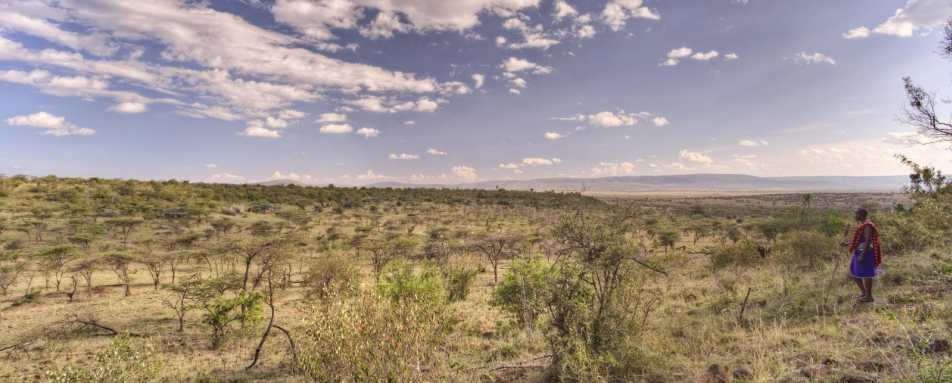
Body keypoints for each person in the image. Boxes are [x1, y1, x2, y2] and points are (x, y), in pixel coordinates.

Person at [842, 208, 882, 303]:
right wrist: (848, 244)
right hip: (858, 252)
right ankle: (864, 293)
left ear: (860, 215)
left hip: (865, 253)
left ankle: (869, 296)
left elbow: (868, 241)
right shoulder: (862, 225)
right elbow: (861, 241)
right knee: (854, 273)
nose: (855, 216)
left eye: (856, 214)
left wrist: (863, 255)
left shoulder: (867, 225)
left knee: (867, 274)